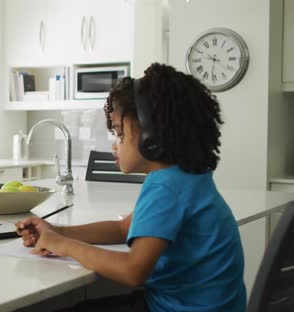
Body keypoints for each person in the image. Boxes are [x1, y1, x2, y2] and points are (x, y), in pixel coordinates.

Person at [16, 63, 246, 312]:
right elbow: (122, 228)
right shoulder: (186, 177)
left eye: (118, 132)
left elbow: (133, 271)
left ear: (151, 133)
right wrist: (57, 231)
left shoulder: (166, 188)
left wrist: (64, 245)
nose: (115, 144)